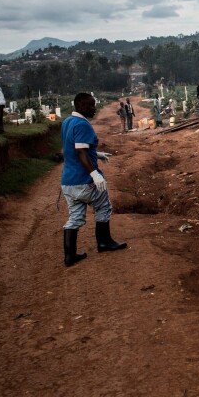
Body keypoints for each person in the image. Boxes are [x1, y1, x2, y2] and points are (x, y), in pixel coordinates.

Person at [60, 92, 127, 267]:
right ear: (81, 105)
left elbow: (73, 149)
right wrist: (94, 174)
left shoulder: (67, 122)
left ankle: (70, 256)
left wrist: (96, 154)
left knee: (74, 217)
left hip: (68, 182)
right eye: (91, 105)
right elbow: (81, 152)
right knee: (104, 207)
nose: (94, 108)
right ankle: (104, 243)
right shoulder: (83, 125)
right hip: (84, 180)